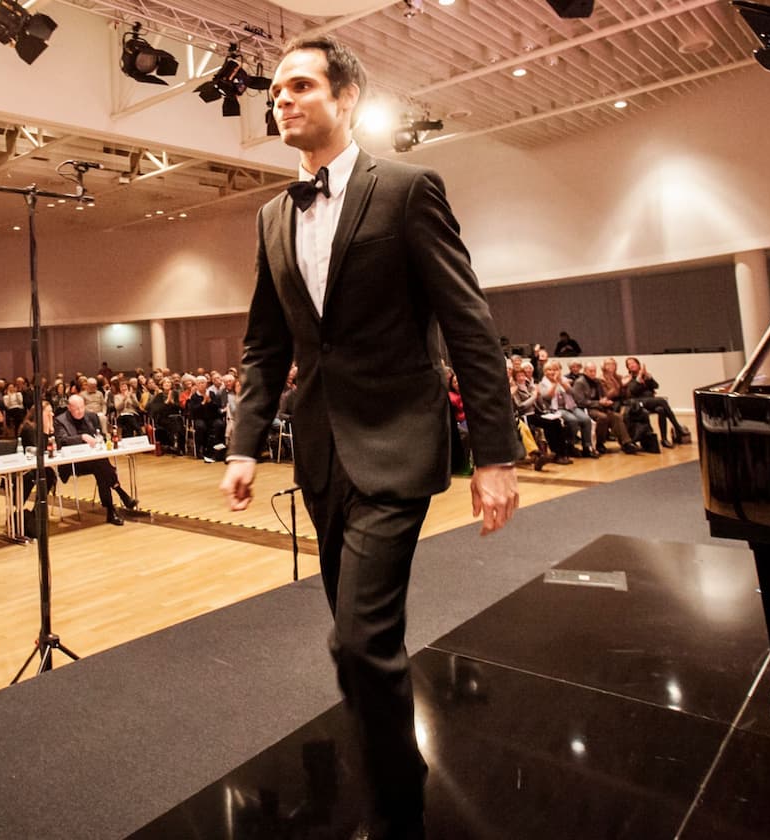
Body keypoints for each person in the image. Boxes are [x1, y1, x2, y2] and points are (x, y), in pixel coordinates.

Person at [220, 35, 520, 840]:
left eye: (300, 85)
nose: (280, 98)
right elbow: (264, 343)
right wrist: (244, 443)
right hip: (320, 455)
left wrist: (495, 455)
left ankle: (397, 802)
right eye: (275, 89)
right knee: (363, 644)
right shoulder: (271, 215)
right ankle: (395, 766)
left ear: (346, 97)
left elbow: (470, 326)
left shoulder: (408, 189)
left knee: (358, 640)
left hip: (398, 445)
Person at [55, 394, 138, 526]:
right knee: (102, 466)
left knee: (101, 468)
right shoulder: (60, 420)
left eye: (82, 407)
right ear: (69, 408)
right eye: (76, 408)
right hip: (73, 463)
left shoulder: (91, 416)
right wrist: (82, 437)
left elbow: (102, 436)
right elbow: (62, 441)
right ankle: (120, 493)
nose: (80, 411)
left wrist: (102, 440)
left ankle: (111, 510)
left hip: (94, 460)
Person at [623, 356, 691, 447]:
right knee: (662, 401)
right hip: (638, 403)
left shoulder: (646, 376)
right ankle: (677, 427)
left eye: (633, 363)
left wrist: (648, 377)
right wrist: (639, 378)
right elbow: (633, 390)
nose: (631, 365)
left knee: (661, 410)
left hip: (650, 402)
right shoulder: (628, 378)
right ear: (627, 368)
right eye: (629, 364)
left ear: (638, 364)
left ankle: (664, 439)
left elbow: (656, 386)